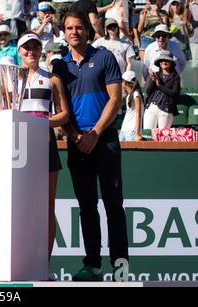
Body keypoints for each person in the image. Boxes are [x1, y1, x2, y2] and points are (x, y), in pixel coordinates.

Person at [52, 11, 129, 281]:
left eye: (79, 27)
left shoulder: (104, 57)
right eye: (69, 28)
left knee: (113, 204)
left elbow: (115, 99)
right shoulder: (60, 66)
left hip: (104, 140)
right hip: (77, 143)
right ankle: (93, 265)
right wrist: (74, 136)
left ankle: (121, 268)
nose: (74, 32)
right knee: (87, 206)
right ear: (64, 33)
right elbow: (61, 110)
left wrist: (95, 133)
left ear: (87, 29)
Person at [17, 32, 69, 281]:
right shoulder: (10, 79)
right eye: (26, 48)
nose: (31, 52)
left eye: (35, 47)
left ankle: (43, 265)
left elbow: (63, 115)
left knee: (47, 207)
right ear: (19, 51)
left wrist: (42, 123)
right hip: (16, 148)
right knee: (19, 206)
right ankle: (18, 262)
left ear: (41, 51)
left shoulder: (52, 79)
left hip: (45, 144)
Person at [143, 50, 180, 129]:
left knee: (163, 138)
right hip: (151, 107)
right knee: (147, 134)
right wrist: (152, 80)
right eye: (162, 60)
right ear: (159, 63)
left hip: (166, 109)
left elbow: (175, 93)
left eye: (167, 60)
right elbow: (148, 91)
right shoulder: (155, 74)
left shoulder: (175, 77)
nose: (164, 62)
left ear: (171, 63)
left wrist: (160, 86)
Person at [119, 70, 144, 141]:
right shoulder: (129, 96)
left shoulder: (136, 95)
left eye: (122, 81)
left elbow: (138, 114)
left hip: (132, 131)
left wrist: (137, 134)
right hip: (124, 130)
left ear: (125, 82)